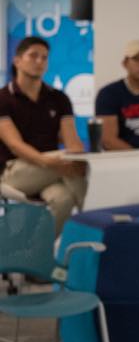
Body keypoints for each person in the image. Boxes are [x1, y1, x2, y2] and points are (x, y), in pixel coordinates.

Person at [0, 37, 87, 234]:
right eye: (33, 56)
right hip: (12, 171)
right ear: (17, 61)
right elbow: (15, 145)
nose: (39, 61)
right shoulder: (2, 99)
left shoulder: (59, 98)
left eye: (44, 57)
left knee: (64, 200)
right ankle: (97, 220)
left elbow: (72, 142)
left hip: (50, 170)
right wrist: (51, 162)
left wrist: (79, 159)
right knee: (67, 162)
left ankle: (38, 255)